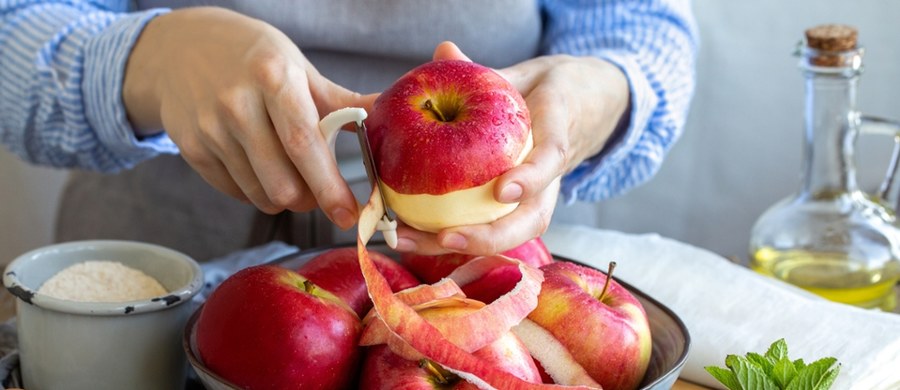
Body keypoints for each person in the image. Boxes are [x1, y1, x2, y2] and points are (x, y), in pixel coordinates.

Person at [0, 0, 698, 262]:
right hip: (155, 268)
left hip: (480, 277)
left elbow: (641, 29)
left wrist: (599, 96)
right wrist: (149, 60)